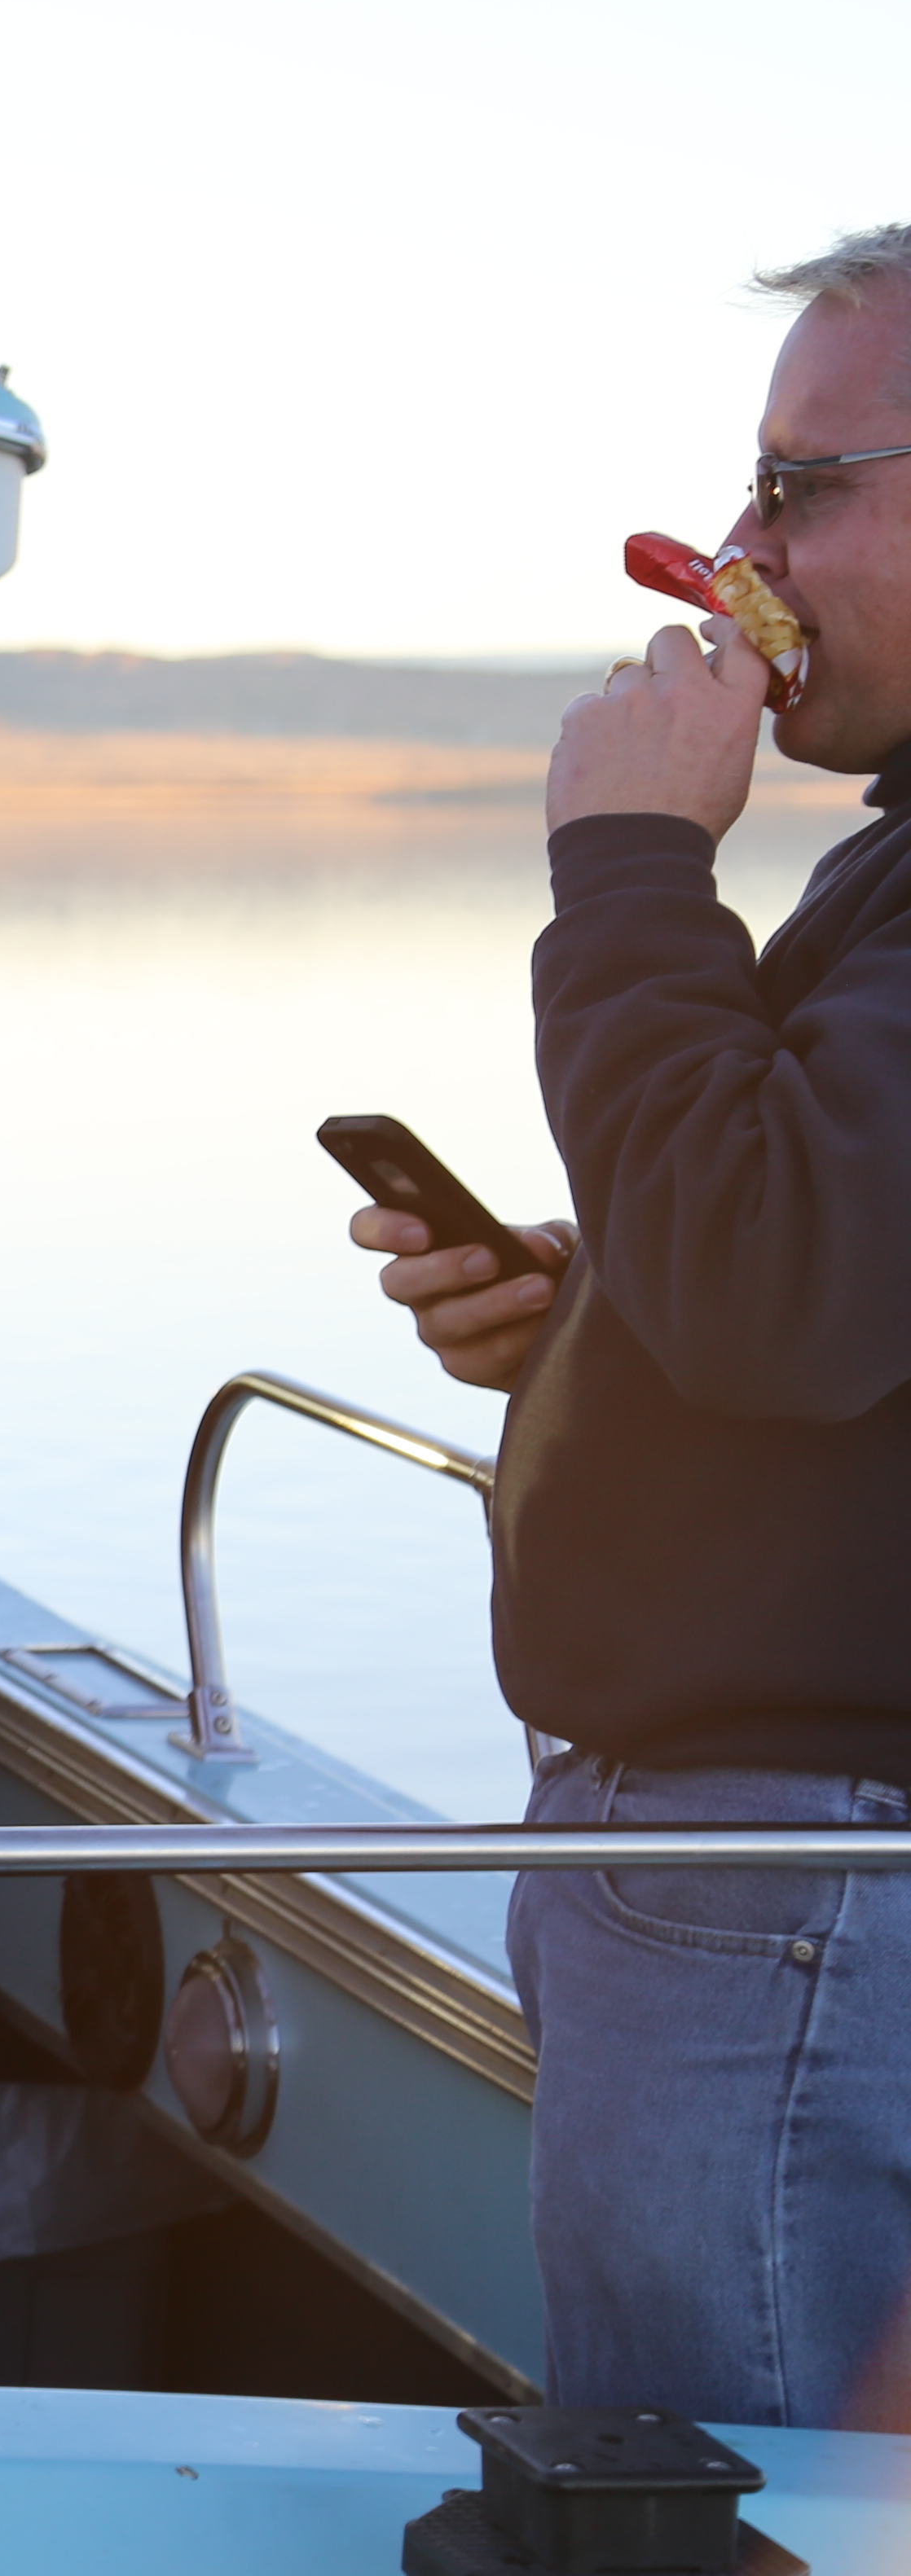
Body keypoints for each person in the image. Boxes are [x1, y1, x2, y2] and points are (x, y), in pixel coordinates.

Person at [355, 222, 911, 2430]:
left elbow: (778, 1288)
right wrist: (598, 1333)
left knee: (722, 2510)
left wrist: (623, 868)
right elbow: (823, 1284)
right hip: (761, 1893)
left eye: (803, 486)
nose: (738, 554)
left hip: (786, 1908)